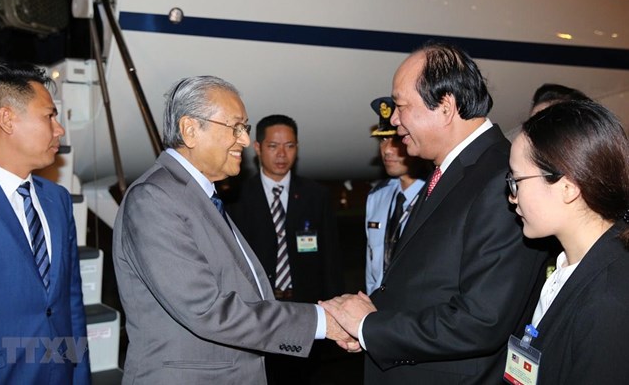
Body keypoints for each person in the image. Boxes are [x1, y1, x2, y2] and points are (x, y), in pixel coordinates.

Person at [320, 42, 548, 384]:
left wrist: (370, 326)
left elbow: (481, 321)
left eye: (400, 106)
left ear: (445, 107)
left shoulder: (499, 178)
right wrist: (366, 323)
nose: (394, 119)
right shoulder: (452, 172)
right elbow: (429, 284)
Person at [112, 76, 354, 384]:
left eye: (245, 128)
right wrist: (322, 321)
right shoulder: (155, 198)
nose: (243, 140)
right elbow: (207, 310)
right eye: (235, 127)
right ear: (190, 130)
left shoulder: (199, 196)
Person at [0, 63, 90, 384]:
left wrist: (79, 377)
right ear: (7, 119)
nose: (59, 129)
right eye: (49, 116)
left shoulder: (58, 200)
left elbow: (70, 302)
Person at [503, 100, 629, 384]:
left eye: (517, 180)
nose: (512, 196)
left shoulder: (609, 301)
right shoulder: (568, 265)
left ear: (568, 187)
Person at [228, 114, 344, 384]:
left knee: (300, 377)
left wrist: (334, 312)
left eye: (290, 146)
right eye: (273, 146)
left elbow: (330, 259)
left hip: (304, 309)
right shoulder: (236, 197)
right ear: (257, 148)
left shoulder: (316, 195)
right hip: (258, 311)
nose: (282, 154)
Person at [365, 97, 427, 294]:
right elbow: (371, 269)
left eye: (396, 138)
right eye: (383, 139)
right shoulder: (377, 197)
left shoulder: (435, 196)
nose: (387, 150)